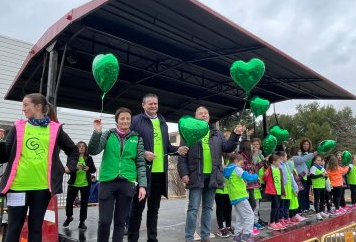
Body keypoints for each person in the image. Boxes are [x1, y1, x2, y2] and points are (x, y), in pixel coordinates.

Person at [0, 93, 78, 242]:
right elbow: (3, 157)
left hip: (42, 188)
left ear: (38, 106)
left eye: (26, 105)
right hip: (17, 187)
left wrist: (68, 167)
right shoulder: (18, 127)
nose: (23, 108)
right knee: (13, 228)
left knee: (36, 228)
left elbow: (73, 150)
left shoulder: (55, 128)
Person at [128, 94, 188, 242]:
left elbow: (166, 147)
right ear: (143, 105)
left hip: (160, 173)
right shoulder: (135, 120)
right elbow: (129, 143)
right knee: (137, 209)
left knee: (154, 210)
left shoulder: (163, 122)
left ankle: (152, 239)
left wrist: (177, 150)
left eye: (155, 103)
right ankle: (132, 239)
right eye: (150, 104)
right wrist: (142, 154)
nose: (153, 106)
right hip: (142, 173)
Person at [178, 106, 244, 242]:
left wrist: (235, 135)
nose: (203, 115)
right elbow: (182, 156)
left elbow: (227, 148)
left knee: (208, 208)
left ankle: (205, 236)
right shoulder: (188, 133)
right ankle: (189, 237)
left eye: (206, 113)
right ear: (195, 117)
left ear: (209, 117)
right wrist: (183, 173)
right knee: (193, 209)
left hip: (213, 176)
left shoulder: (217, 133)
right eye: (200, 113)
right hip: (196, 175)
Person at [89, 107, 147, 242]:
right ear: (117, 121)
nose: (125, 121)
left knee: (120, 223)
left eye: (128, 118)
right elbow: (93, 150)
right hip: (107, 182)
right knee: (104, 221)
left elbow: (140, 163)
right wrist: (97, 132)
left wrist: (142, 185)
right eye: (122, 118)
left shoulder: (136, 138)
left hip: (127, 183)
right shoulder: (107, 134)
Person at [223, 153, 259, 240]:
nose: (241, 165)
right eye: (241, 163)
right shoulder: (236, 169)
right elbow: (247, 177)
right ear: (236, 161)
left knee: (240, 217)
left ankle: (237, 235)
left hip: (234, 196)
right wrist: (256, 176)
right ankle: (247, 235)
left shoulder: (227, 170)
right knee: (250, 215)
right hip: (240, 195)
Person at [63, 141, 96, 229]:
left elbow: (93, 170)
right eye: (79, 146)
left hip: (85, 184)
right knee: (69, 202)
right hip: (73, 184)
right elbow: (68, 171)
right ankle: (69, 217)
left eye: (83, 146)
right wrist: (75, 168)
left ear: (85, 149)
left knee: (84, 204)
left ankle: (82, 222)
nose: (81, 148)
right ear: (76, 148)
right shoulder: (72, 157)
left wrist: (88, 168)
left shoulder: (89, 158)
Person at [238, 139, 265, 230]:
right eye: (251, 145)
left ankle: (250, 224)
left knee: (252, 205)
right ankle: (248, 226)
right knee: (251, 205)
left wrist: (264, 161)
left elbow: (255, 168)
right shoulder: (241, 157)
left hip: (252, 185)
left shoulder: (249, 157)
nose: (252, 147)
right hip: (246, 186)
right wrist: (245, 181)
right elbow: (241, 171)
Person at [292, 139, 317, 215]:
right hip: (301, 176)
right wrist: (312, 154)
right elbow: (302, 160)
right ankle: (302, 209)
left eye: (307, 144)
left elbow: (313, 163)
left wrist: (311, 171)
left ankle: (307, 208)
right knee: (302, 193)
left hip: (307, 175)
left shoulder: (309, 154)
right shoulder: (298, 156)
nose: (306, 146)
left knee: (306, 192)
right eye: (304, 144)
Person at [276, 151, 298, 228]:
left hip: (288, 188)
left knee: (287, 204)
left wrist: (295, 187)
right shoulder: (279, 166)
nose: (286, 158)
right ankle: (281, 218)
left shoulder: (286, 165)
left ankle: (286, 217)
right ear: (281, 157)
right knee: (282, 205)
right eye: (285, 156)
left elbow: (291, 176)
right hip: (283, 188)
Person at [263, 153, 285, 231]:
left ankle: (277, 221)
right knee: (275, 206)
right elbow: (264, 179)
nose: (279, 163)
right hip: (272, 191)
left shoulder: (279, 169)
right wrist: (265, 175)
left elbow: (281, 181)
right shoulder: (269, 169)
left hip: (278, 190)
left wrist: (282, 190)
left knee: (278, 206)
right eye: (278, 161)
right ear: (273, 162)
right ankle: (272, 222)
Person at [214, 152, 233, 238]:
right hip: (219, 189)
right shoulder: (217, 157)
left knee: (229, 208)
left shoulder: (230, 160)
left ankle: (228, 226)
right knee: (220, 208)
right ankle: (220, 228)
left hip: (228, 189)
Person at [286, 152, 307, 223]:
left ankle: (295, 215)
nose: (292, 161)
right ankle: (291, 216)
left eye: (292, 160)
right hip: (291, 189)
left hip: (296, 188)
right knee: (291, 204)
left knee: (295, 202)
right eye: (290, 160)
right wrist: (302, 174)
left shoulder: (293, 169)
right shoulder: (287, 170)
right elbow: (296, 178)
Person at [309, 155, 330, 220]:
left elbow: (325, 176)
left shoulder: (322, 168)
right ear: (314, 161)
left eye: (320, 160)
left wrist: (326, 175)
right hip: (317, 186)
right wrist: (321, 175)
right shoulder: (313, 167)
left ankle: (321, 211)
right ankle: (317, 213)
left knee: (322, 200)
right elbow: (312, 176)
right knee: (317, 200)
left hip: (322, 186)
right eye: (318, 160)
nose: (319, 161)